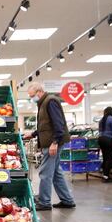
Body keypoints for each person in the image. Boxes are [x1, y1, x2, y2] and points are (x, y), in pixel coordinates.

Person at [23, 82, 76, 211]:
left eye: (32, 95)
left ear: (39, 92)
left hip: (52, 144)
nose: (32, 98)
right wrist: (33, 133)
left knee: (45, 172)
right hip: (50, 142)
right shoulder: (43, 103)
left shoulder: (50, 101)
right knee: (56, 173)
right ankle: (67, 200)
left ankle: (44, 201)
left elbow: (58, 124)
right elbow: (45, 126)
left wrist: (55, 142)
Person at [98, 106, 112, 182]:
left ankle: (104, 175)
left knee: (105, 157)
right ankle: (106, 177)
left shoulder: (101, 120)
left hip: (101, 139)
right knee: (109, 159)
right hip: (109, 139)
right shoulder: (111, 118)